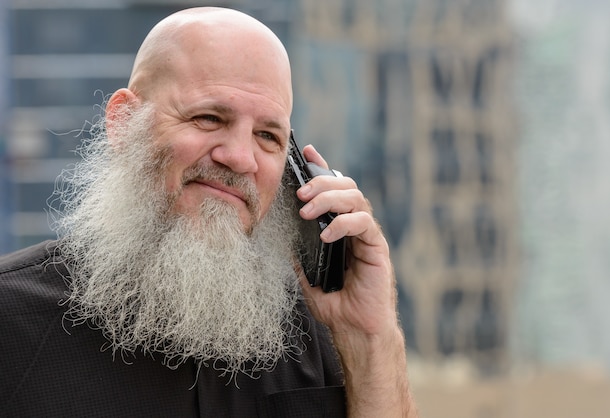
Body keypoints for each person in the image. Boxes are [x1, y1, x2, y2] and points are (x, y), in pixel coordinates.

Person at [0, 7, 418, 417]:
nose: (240, 158)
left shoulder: (321, 328)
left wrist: (369, 337)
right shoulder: (9, 322)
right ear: (124, 123)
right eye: (208, 117)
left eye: (267, 136)